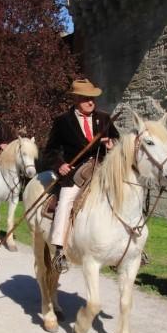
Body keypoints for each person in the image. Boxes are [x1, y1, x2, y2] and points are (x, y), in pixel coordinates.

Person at [43, 79, 120, 273]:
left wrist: (111, 144)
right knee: (66, 201)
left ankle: (126, 245)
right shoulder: (62, 121)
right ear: (76, 99)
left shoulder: (103, 118)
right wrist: (60, 165)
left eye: (93, 98)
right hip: (75, 173)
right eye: (86, 98)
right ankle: (59, 249)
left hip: (101, 169)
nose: (91, 102)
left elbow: (116, 138)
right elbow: (50, 150)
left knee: (123, 194)